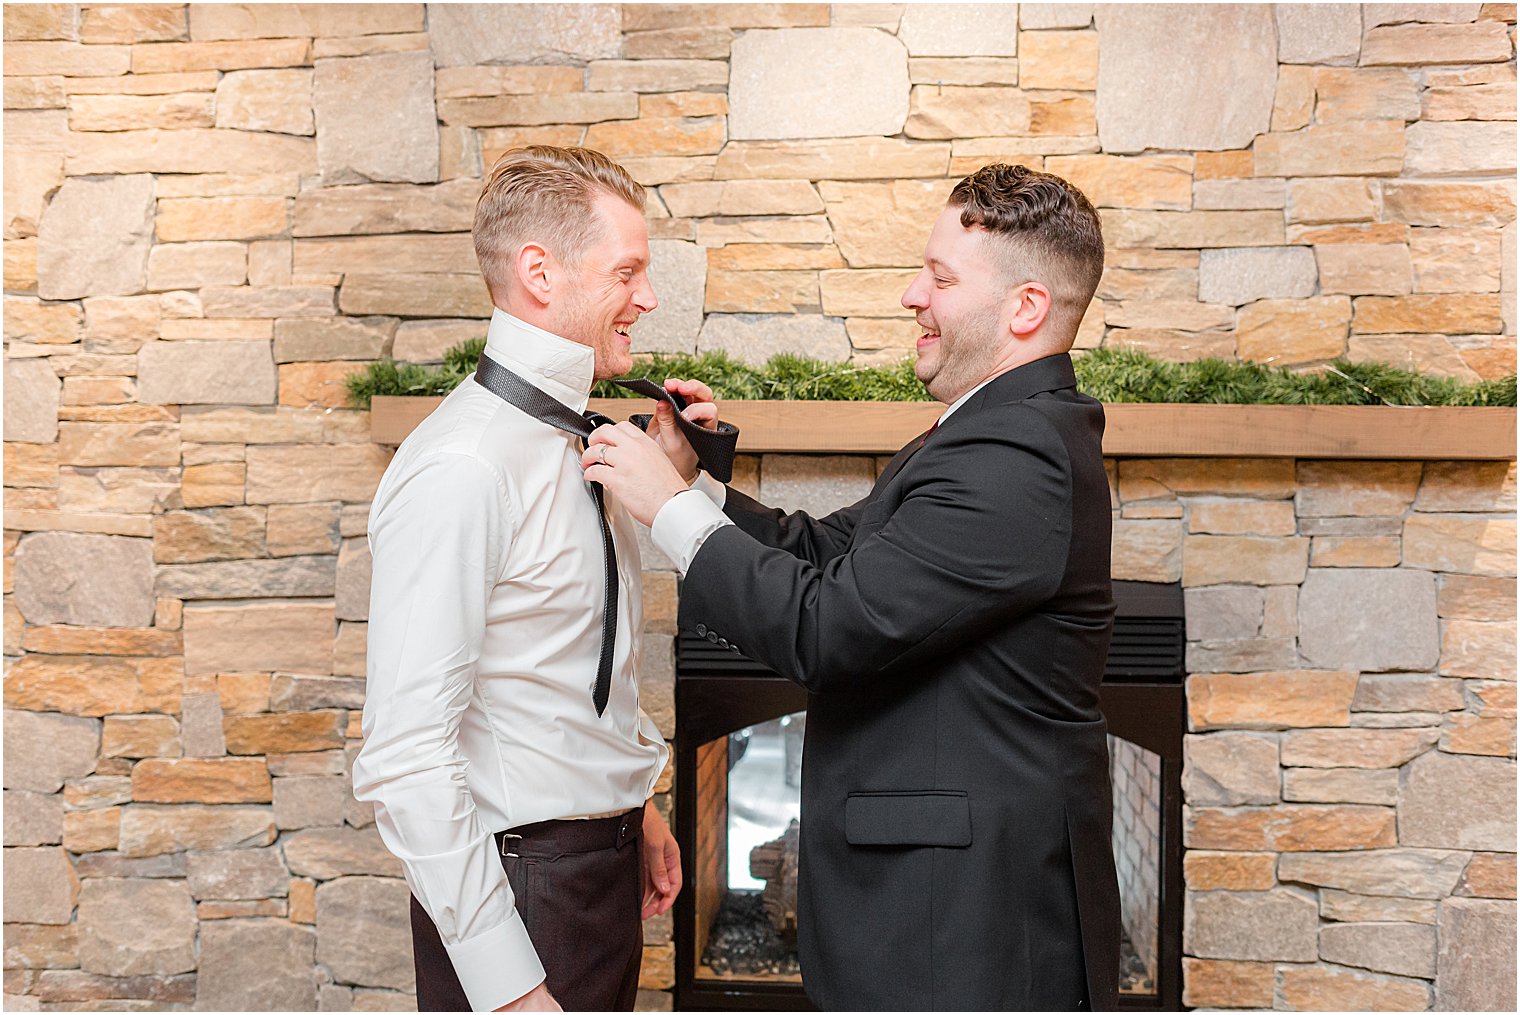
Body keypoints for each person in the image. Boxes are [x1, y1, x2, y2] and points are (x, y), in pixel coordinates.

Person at [583, 163, 1122, 1010]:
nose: (913, 293)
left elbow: (827, 626)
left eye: (941, 277)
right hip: (935, 904)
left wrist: (664, 511)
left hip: (962, 922)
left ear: (1025, 308)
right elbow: (832, 552)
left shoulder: (1019, 459)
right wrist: (695, 486)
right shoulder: (990, 432)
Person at [352, 146, 705, 1012]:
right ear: (539, 272)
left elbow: (554, 670)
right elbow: (405, 757)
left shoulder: (574, 441)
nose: (649, 298)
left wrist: (636, 809)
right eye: (629, 270)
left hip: (595, 875)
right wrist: (510, 990)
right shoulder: (463, 466)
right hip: (522, 899)